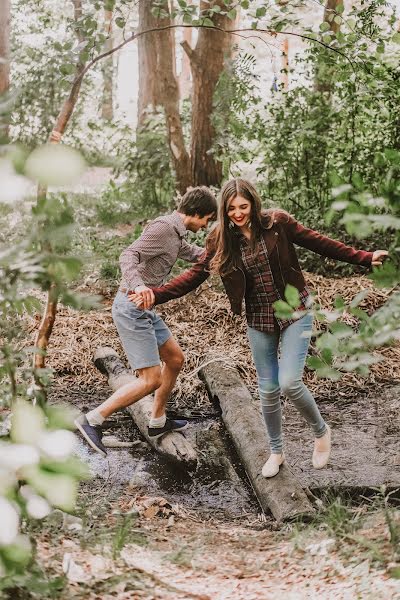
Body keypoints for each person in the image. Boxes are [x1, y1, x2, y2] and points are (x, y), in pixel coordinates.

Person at [131, 178, 388, 477]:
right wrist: (154, 294)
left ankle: (321, 431)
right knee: (267, 389)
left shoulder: (277, 223)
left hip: (296, 310)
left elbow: (319, 243)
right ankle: (276, 452)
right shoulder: (220, 240)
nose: (238, 213)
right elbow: (194, 275)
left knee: (290, 382)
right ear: (224, 211)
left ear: (253, 203)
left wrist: (365, 258)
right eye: (231, 209)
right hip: (260, 318)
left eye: (243, 206)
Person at [75, 186, 217, 457]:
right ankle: (92, 419)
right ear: (196, 213)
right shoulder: (163, 227)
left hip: (146, 309)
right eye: (206, 219)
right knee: (150, 379)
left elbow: (187, 251)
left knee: (175, 359)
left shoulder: (175, 233)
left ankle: (157, 420)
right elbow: (128, 255)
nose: (205, 224)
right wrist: (140, 286)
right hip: (131, 306)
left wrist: (213, 256)